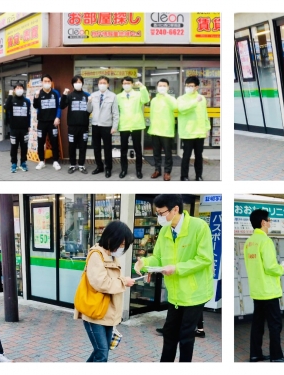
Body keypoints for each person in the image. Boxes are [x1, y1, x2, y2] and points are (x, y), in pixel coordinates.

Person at [134, 194, 213, 362]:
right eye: (157, 213)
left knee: (186, 336)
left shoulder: (199, 227)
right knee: (169, 333)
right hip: (175, 294)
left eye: (162, 213)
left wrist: (176, 268)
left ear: (176, 209)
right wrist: (144, 262)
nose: (159, 217)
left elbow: (205, 259)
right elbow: (158, 258)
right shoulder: (164, 231)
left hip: (194, 293)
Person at [74, 220, 135, 362]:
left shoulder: (111, 256)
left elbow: (112, 279)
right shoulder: (97, 255)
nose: (122, 247)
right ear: (112, 238)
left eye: (124, 245)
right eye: (121, 243)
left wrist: (123, 280)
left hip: (106, 312)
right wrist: (124, 282)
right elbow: (101, 283)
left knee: (101, 350)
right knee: (102, 352)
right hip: (95, 312)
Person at [244, 209, 284, 362]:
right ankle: (276, 356)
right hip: (269, 290)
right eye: (269, 220)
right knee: (275, 324)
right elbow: (270, 267)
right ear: (263, 222)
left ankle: (255, 354)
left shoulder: (249, 242)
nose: (270, 223)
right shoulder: (265, 241)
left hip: (256, 290)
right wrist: (282, 268)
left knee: (257, 323)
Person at [177, 76, 210, 181]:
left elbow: (205, 114)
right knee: (186, 156)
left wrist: (207, 128)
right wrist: (195, 101)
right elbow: (182, 109)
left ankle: (198, 175)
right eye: (187, 86)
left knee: (199, 156)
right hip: (187, 132)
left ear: (197, 87)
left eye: (191, 86)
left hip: (200, 132)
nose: (188, 88)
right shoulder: (181, 98)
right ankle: (184, 176)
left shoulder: (202, 98)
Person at [116, 76, 150, 179]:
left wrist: (142, 87)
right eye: (125, 83)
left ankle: (138, 171)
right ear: (122, 85)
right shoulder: (118, 96)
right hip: (124, 125)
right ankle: (123, 170)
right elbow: (115, 111)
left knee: (138, 149)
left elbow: (146, 99)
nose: (126, 85)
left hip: (136, 125)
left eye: (128, 83)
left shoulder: (138, 94)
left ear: (132, 84)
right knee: (123, 150)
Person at [87, 76, 119, 178]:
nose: (102, 84)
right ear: (98, 84)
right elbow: (89, 110)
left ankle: (108, 168)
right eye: (100, 83)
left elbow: (115, 113)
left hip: (107, 126)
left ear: (108, 84)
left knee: (107, 148)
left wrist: (114, 126)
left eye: (104, 83)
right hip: (96, 125)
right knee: (96, 148)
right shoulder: (93, 95)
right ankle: (99, 166)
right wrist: (89, 101)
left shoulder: (113, 96)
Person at [60, 75, 91, 174]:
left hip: (84, 126)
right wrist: (64, 94)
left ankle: (81, 165)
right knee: (72, 146)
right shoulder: (70, 96)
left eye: (80, 82)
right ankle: (72, 165)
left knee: (83, 146)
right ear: (73, 84)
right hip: (72, 127)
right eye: (76, 82)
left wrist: (90, 102)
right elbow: (62, 106)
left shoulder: (86, 95)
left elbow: (90, 110)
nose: (78, 83)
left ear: (82, 83)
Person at [149, 78, 177, 181]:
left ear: (168, 87)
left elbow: (176, 107)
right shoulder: (154, 100)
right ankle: (157, 170)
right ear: (157, 87)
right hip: (155, 130)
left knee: (168, 153)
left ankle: (167, 172)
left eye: (164, 86)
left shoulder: (171, 98)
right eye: (160, 86)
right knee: (156, 152)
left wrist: (166, 96)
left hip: (166, 130)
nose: (162, 87)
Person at [32, 74, 62, 171]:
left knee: (54, 141)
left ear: (51, 83)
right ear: (42, 82)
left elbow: (59, 106)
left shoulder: (55, 93)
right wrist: (36, 97)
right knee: (41, 142)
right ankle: (41, 161)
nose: (47, 83)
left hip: (53, 123)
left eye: (49, 81)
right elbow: (35, 106)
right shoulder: (38, 93)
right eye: (45, 81)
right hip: (42, 122)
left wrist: (57, 117)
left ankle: (55, 161)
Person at [5, 83, 31, 173]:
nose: (19, 89)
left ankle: (23, 163)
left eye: (21, 88)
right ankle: (14, 163)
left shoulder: (27, 101)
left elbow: (29, 114)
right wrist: (9, 95)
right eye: (17, 88)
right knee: (14, 147)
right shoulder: (11, 100)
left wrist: (29, 125)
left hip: (24, 129)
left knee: (24, 147)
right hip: (14, 129)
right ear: (14, 90)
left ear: (23, 90)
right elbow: (6, 107)